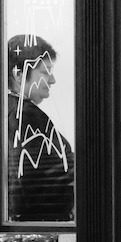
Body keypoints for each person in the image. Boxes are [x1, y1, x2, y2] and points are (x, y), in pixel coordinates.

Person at [7, 35, 75, 221]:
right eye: (45, 72)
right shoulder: (26, 115)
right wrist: (108, 170)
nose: (52, 80)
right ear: (19, 75)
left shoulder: (2, 112)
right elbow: (54, 176)